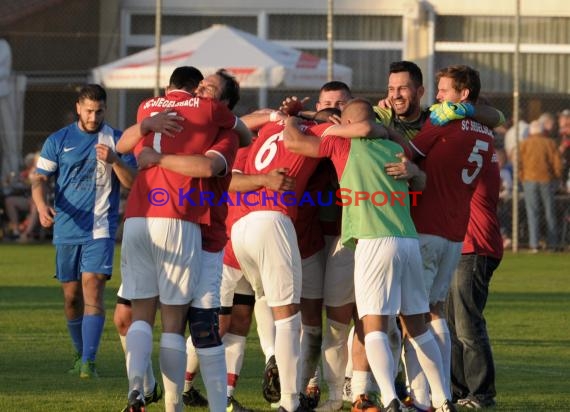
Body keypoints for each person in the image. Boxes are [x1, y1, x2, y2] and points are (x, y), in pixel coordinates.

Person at [284, 98, 456, 412]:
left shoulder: (342, 146)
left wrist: (291, 117)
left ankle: (390, 397)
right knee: (417, 325)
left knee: (374, 324)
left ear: (346, 125)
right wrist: (411, 168)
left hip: (373, 241)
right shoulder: (392, 149)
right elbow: (421, 179)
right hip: (407, 240)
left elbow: (293, 143)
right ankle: (443, 399)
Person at [119, 67, 240, 412]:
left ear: (226, 105)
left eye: (211, 89)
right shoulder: (185, 117)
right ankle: (158, 400)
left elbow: (207, 166)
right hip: (178, 224)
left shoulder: (223, 133)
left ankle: (206, 405)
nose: (201, 92)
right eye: (200, 85)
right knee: (167, 321)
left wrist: (157, 155)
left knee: (201, 329)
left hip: (205, 238)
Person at [402, 65, 495, 411]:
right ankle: (439, 395)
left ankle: (427, 398)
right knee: (435, 312)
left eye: (443, 90)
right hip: (455, 236)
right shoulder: (486, 134)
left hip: (426, 229)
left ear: (463, 94)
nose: (438, 97)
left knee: (412, 315)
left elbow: (407, 150)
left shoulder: (443, 128)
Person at [31, 84, 137, 378]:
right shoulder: (59, 139)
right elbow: (40, 179)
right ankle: (79, 353)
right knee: (72, 297)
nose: (93, 117)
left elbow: (132, 183)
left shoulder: (117, 140)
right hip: (66, 229)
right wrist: (41, 207)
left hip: (100, 229)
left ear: (105, 109)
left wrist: (114, 160)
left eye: (99, 111)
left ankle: (89, 362)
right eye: (88, 110)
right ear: (79, 107)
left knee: (93, 287)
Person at [446, 148, 504, 410]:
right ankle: (459, 390)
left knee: (467, 325)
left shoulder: (473, 149)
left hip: (474, 246)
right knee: (452, 325)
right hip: (461, 245)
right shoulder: (481, 147)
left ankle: (481, 393)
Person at [519, 119, 562, 252]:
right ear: (543, 131)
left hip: (529, 180)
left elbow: (519, 163)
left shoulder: (524, 144)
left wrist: (522, 177)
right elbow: (557, 164)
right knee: (550, 212)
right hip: (546, 180)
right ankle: (553, 244)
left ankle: (534, 244)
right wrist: (556, 177)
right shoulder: (550, 143)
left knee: (533, 212)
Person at [3, 152, 39, 241]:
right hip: (28, 199)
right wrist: (10, 182)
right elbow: (19, 184)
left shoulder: (43, 171)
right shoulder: (25, 173)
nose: (29, 162)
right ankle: (16, 231)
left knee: (34, 204)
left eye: (32, 161)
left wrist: (27, 182)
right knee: (9, 201)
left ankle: (26, 233)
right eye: (29, 161)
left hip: (40, 201)